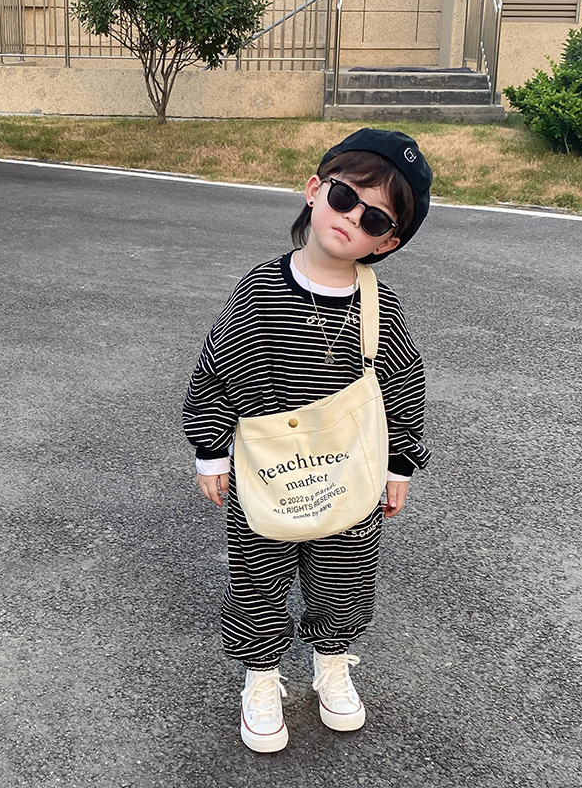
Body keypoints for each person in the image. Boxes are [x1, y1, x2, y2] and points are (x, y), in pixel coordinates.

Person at [183, 128, 433, 753]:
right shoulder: (260, 290)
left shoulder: (380, 307)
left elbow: (403, 386)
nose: (352, 218)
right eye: (345, 197)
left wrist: (399, 466)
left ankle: (332, 664)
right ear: (315, 190)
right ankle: (261, 678)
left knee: (345, 578)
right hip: (268, 471)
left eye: (375, 218)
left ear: (388, 241)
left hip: (350, 472)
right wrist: (210, 449)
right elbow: (216, 371)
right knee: (258, 578)